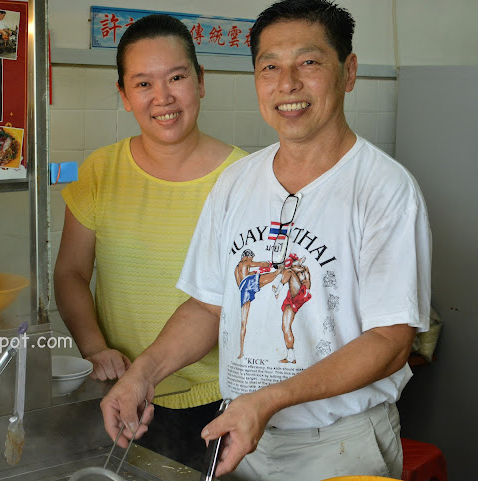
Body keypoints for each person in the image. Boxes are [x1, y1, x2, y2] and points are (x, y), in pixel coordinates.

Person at [100, 1, 432, 481]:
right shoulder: (236, 182)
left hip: (339, 443)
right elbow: (207, 307)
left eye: (309, 62)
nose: (287, 83)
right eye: (269, 66)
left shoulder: (385, 189)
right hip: (244, 438)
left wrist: (272, 399)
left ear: (349, 71)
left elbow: (391, 341)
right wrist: (142, 374)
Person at [53, 14, 247, 470]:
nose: (162, 98)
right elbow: (71, 273)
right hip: (118, 395)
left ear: (201, 81)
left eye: (176, 77)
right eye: (143, 84)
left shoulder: (244, 179)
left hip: (216, 401)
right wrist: (94, 349)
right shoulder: (101, 170)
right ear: (123, 95)